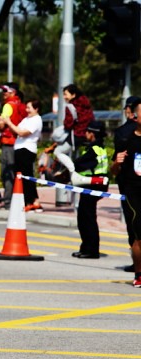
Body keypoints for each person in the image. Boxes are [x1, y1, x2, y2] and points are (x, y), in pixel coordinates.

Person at [71, 121, 109, 259]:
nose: (85, 134)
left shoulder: (93, 150)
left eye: (87, 131)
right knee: (85, 216)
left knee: (87, 218)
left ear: (92, 134)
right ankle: (86, 248)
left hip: (93, 185)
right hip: (94, 185)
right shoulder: (98, 148)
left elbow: (79, 164)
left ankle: (91, 250)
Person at [0, 99, 43, 212]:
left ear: (36, 109)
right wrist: (6, 122)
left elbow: (22, 133)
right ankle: (32, 201)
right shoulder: (26, 119)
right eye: (26, 107)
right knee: (21, 177)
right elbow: (16, 131)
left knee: (27, 177)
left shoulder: (37, 120)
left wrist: (9, 122)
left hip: (27, 150)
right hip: (19, 149)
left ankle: (31, 201)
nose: (27, 110)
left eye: (29, 108)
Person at [48, 84, 96, 186]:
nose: (64, 97)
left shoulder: (70, 107)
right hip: (86, 135)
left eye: (66, 94)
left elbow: (68, 124)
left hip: (77, 135)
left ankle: (72, 171)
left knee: (58, 151)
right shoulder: (86, 104)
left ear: (73, 95)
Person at [113, 96, 139, 272]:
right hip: (132, 187)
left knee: (135, 227)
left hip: (130, 187)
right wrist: (117, 163)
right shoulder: (125, 135)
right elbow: (115, 167)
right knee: (136, 227)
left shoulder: (123, 132)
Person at [0, 82, 27, 211]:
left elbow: (2, 125)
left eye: (5, 91)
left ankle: (8, 201)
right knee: (17, 172)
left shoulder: (8, 105)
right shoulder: (21, 104)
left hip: (9, 142)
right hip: (20, 142)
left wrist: (0, 123)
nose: (3, 93)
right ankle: (20, 200)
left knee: (7, 172)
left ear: (12, 92)